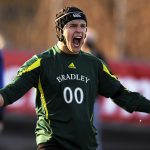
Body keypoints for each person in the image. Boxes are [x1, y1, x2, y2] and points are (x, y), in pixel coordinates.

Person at [0, 6, 150, 150]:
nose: (79, 30)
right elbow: (10, 93)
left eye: (82, 26)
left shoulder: (94, 64)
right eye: (72, 26)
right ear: (60, 31)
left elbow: (122, 95)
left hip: (86, 145)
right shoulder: (41, 62)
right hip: (53, 143)